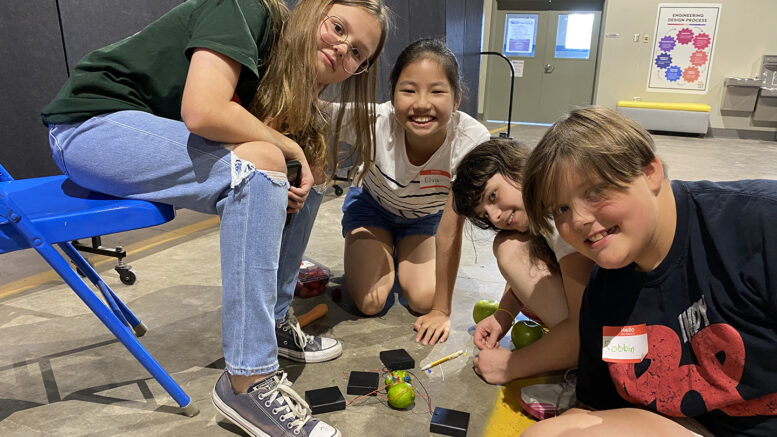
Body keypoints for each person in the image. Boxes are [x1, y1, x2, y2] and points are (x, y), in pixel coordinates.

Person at [41, 1, 389, 435]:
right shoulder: (246, 7)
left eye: (358, 53)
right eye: (338, 28)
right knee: (264, 160)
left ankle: (276, 321)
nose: (342, 50)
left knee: (310, 169)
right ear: (312, 10)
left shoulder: (287, 72)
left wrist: (293, 167)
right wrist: (282, 153)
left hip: (145, 135)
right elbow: (203, 111)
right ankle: (247, 381)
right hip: (90, 127)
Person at [520, 106, 777, 437]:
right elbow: (604, 396)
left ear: (650, 172)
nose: (578, 220)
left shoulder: (759, 226)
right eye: (561, 209)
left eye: (594, 191)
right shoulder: (606, 293)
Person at [333, 38, 490, 345]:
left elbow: (451, 230)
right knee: (370, 302)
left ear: (457, 99)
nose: (421, 103)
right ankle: (379, 247)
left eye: (437, 91)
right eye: (408, 90)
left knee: (423, 300)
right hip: (373, 207)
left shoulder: (471, 139)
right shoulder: (376, 120)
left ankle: (396, 252)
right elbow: (314, 112)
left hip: (423, 219)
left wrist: (442, 311)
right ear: (392, 97)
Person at [450, 138, 594, 389]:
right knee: (510, 243)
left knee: (509, 248)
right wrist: (503, 315)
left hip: (610, 341)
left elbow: (585, 329)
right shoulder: (546, 206)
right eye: (484, 214)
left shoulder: (561, 217)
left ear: (517, 166)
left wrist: (510, 365)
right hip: (604, 325)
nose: (494, 217)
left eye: (493, 195)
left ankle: (580, 357)